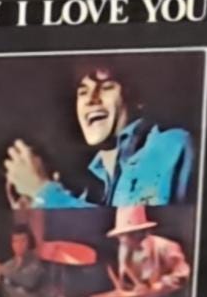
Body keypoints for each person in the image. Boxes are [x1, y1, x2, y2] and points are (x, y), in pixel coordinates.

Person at [75, 60, 196, 205]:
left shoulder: (170, 146)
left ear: (137, 97)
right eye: (83, 92)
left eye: (107, 87)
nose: (91, 100)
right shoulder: (86, 194)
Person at [96, 202, 192, 297]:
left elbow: (183, 275)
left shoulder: (166, 247)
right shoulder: (124, 249)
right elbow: (129, 284)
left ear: (141, 233)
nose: (122, 241)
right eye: (120, 236)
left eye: (126, 236)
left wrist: (157, 288)